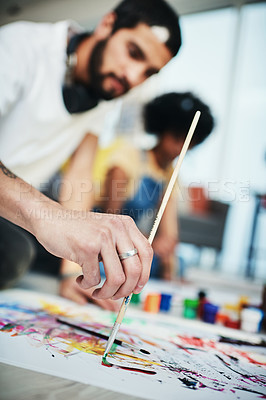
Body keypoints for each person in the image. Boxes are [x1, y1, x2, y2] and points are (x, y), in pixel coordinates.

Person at [0, 0, 182, 307]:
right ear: (107, 24)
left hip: (12, 216)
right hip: (16, 216)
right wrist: (54, 218)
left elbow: (80, 173)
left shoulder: (104, 93)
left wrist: (74, 274)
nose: (134, 77)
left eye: (149, 72)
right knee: (16, 253)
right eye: (133, 53)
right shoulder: (19, 46)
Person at [93, 92, 214, 280]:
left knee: (179, 264)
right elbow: (111, 218)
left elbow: (169, 233)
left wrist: (169, 266)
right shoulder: (128, 156)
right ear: (160, 130)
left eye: (189, 142)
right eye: (176, 137)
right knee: (107, 264)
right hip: (106, 236)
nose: (180, 147)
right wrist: (148, 243)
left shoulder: (171, 176)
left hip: (134, 244)